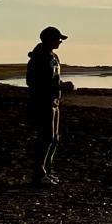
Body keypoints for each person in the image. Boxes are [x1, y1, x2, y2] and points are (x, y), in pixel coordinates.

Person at [26, 26, 69, 185]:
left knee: (54, 138)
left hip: (53, 101)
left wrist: (61, 86)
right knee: (46, 138)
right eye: (58, 39)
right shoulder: (38, 58)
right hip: (42, 102)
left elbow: (53, 79)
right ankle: (39, 173)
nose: (60, 42)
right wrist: (59, 87)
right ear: (49, 40)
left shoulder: (53, 57)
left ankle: (47, 171)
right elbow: (33, 82)